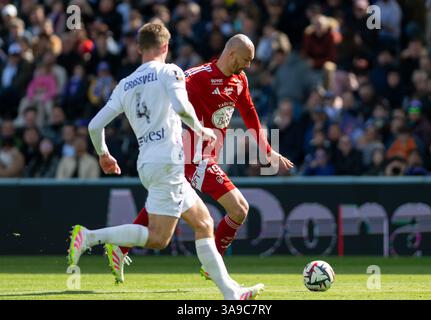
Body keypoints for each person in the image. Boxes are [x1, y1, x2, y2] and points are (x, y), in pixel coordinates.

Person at [67, 23, 264, 300]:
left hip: (148, 161)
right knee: (159, 238)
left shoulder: (125, 83)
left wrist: (103, 154)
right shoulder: (170, 71)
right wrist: (200, 129)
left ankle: (232, 293)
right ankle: (89, 237)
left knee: (204, 223)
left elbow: (94, 125)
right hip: (169, 159)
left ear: (138, 48)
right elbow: (183, 108)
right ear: (165, 47)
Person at [114, 33, 293, 282]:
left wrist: (268, 150)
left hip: (203, 156)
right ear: (231, 54)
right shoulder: (197, 77)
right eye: (246, 59)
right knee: (239, 209)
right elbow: (163, 93)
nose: (248, 66)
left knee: (159, 207)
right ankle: (213, 265)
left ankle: (119, 248)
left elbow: (250, 113)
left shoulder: (240, 80)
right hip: (192, 157)